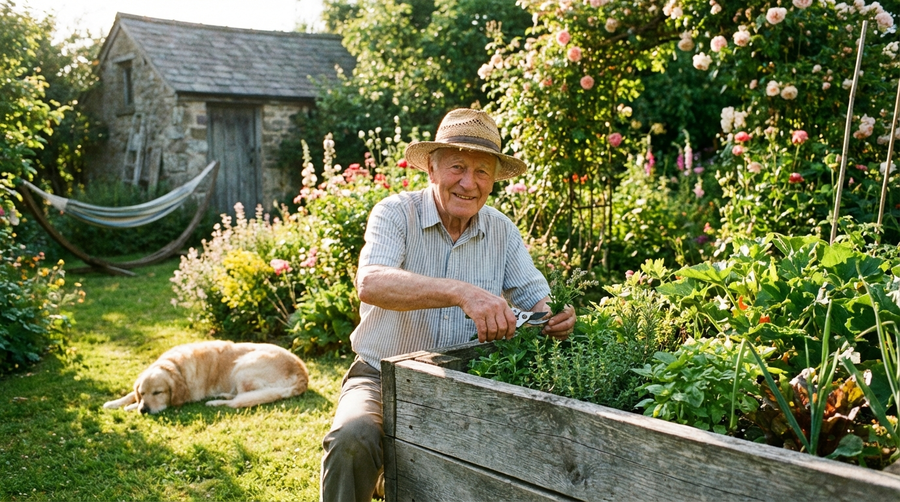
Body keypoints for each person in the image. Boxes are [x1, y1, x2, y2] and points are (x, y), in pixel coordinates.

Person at [320, 108, 576, 502]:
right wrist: (460, 292)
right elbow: (371, 283)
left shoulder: (501, 231)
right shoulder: (394, 213)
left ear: (493, 181)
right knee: (353, 439)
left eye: (482, 172)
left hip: (466, 380)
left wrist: (558, 316)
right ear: (432, 170)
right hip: (380, 375)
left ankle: (398, 479)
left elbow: (538, 301)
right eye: (457, 167)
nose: (468, 183)